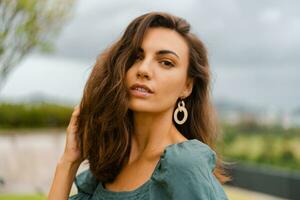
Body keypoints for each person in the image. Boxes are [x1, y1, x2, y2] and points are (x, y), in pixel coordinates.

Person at [48, 11, 230, 200]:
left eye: (166, 63)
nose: (143, 70)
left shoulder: (184, 165)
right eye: (136, 57)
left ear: (187, 86)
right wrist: (68, 162)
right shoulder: (109, 166)